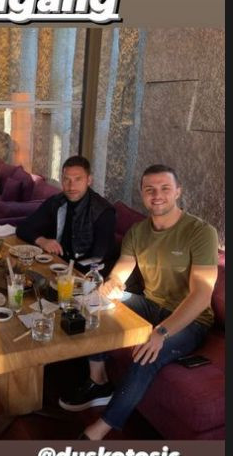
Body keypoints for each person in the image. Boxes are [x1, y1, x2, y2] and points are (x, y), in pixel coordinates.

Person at [59, 165, 219, 439]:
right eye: (150, 190)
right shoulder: (137, 231)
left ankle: (100, 429)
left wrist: (161, 332)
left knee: (147, 354)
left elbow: (201, 295)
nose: (157, 195)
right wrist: (109, 287)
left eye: (165, 188)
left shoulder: (201, 232)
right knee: (93, 305)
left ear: (178, 192)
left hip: (191, 320)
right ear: (142, 194)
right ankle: (98, 380)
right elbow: (119, 276)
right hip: (151, 305)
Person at [16, 156, 117, 276]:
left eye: (78, 179)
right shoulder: (56, 202)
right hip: (54, 266)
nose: (71, 186)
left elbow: (98, 258)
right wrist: (43, 241)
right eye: (66, 179)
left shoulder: (103, 212)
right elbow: (23, 227)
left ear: (89, 180)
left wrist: (67, 271)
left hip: (84, 275)